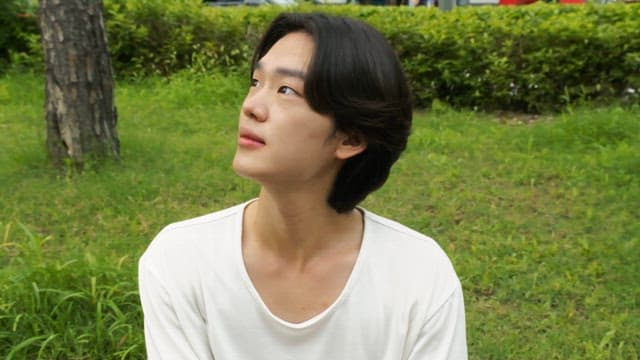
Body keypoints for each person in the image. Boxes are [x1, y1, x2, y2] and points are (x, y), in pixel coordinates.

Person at [138, 12, 467, 359]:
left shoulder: (418, 275)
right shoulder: (180, 260)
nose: (251, 107)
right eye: (255, 82)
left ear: (350, 138)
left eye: (286, 90)